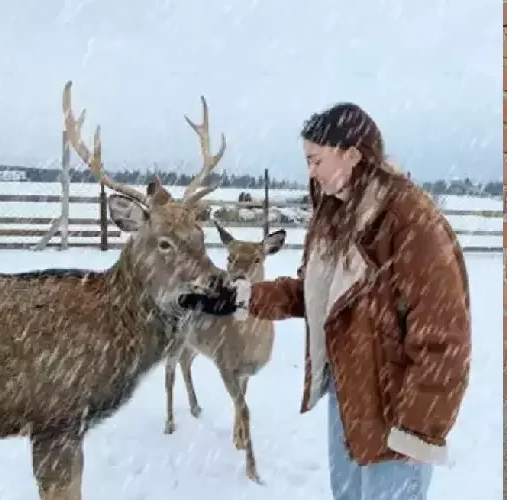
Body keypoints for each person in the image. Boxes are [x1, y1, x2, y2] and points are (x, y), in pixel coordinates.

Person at [179, 102, 471, 500]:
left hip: (398, 407)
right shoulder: (335, 216)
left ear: (351, 154)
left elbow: (444, 336)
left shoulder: (408, 220)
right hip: (349, 395)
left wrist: (416, 428)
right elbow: (315, 296)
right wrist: (241, 297)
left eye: (316, 160)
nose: (310, 172)